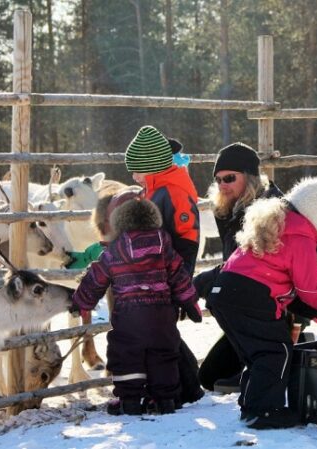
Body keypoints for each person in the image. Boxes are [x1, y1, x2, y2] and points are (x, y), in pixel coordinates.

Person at [206, 177, 317, 429]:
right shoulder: (300, 235)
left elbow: (295, 294)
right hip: (251, 297)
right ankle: (264, 411)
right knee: (276, 351)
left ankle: (251, 405)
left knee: (258, 356)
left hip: (224, 293)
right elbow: (311, 289)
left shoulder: (275, 223)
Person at [70, 197, 202, 416]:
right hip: (161, 313)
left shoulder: (115, 249)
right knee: (163, 354)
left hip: (129, 315)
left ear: (119, 222)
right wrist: (190, 303)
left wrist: (80, 302)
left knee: (126, 355)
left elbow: (96, 278)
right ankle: (165, 399)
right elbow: (179, 276)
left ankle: (129, 400)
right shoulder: (163, 243)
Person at [193, 142, 284, 393]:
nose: (223, 184)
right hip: (246, 305)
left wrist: (201, 283)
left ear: (250, 177)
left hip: (270, 306)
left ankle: (277, 353)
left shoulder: (270, 209)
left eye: (230, 178)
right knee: (210, 376)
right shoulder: (229, 208)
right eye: (219, 179)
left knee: (217, 292)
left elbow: (249, 265)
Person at [124, 125, 204, 405]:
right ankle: (189, 387)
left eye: (137, 170)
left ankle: (183, 389)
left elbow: (187, 237)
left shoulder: (172, 191)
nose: (134, 176)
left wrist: (177, 279)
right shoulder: (154, 190)